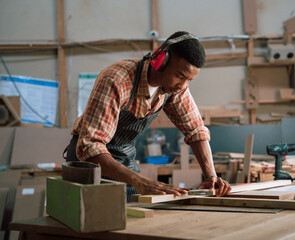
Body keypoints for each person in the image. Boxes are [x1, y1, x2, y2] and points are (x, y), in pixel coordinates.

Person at [64, 31, 232, 202]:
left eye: (189, 80)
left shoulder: (175, 88)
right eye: (180, 76)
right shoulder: (116, 80)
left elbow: (195, 129)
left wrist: (211, 176)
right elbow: (90, 146)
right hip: (89, 163)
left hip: (123, 157)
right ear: (161, 60)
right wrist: (139, 180)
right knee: (94, 217)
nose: (182, 85)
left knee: (135, 214)